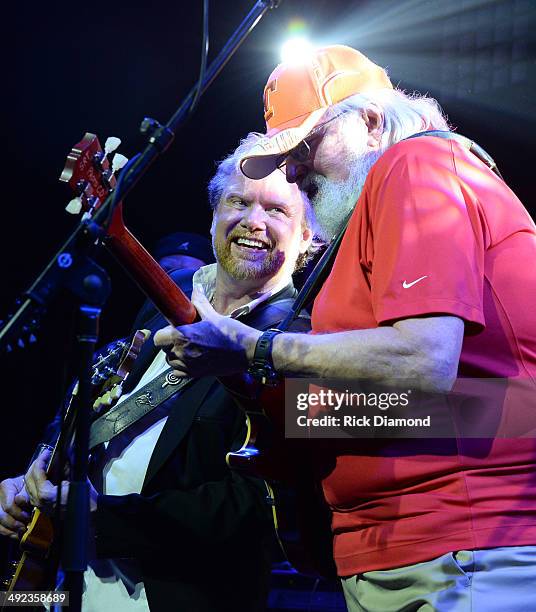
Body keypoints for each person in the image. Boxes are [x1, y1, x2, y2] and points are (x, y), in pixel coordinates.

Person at [153, 45, 536, 610]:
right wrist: (257, 393)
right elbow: (435, 407)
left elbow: (424, 363)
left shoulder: (415, 166)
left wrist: (254, 348)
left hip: (459, 544)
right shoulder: (371, 220)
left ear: (373, 123)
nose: (294, 169)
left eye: (306, 146)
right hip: (404, 552)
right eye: (285, 155)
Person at [0, 132, 317, 611]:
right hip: (63, 588)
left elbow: (262, 506)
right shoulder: (163, 305)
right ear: (214, 215)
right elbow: (97, 403)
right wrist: (34, 471)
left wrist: (105, 520)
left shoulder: (302, 345)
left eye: (276, 210)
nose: (253, 221)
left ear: (308, 237)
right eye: (238, 201)